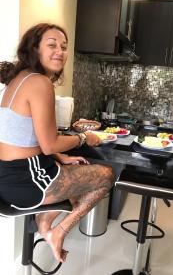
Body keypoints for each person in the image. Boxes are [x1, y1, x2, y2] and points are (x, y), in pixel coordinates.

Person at [0, 23, 115, 263]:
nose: (60, 51)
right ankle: (57, 233)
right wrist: (84, 138)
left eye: (63, 47)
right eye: (51, 45)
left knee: (76, 170)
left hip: (9, 175)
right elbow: (50, 144)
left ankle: (44, 222)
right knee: (105, 176)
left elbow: (27, 138)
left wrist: (62, 157)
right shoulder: (40, 83)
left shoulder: (19, 79)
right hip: (26, 179)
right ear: (34, 49)